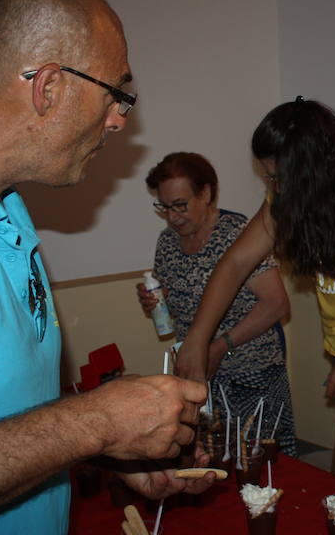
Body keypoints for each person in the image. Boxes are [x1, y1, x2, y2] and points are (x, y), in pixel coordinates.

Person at [0, 0, 212, 535]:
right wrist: (94, 422)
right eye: (118, 94)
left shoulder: (3, 200)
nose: (119, 121)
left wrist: (112, 449)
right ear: (49, 87)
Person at [176, 97, 335, 487]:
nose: (273, 188)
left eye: (279, 178)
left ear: (314, 168)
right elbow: (236, 263)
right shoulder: (289, 198)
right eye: (269, 178)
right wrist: (197, 337)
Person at [137, 152, 297, 455]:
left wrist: (219, 346)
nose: (172, 217)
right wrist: (155, 304)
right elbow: (180, 311)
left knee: (259, 470)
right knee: (211, 465)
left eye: (180, 205)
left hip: (253, 375)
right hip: (202, 380)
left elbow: (276, 304)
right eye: (164, 207)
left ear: (206, 193)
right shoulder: (167, 243)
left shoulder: (236, 235)